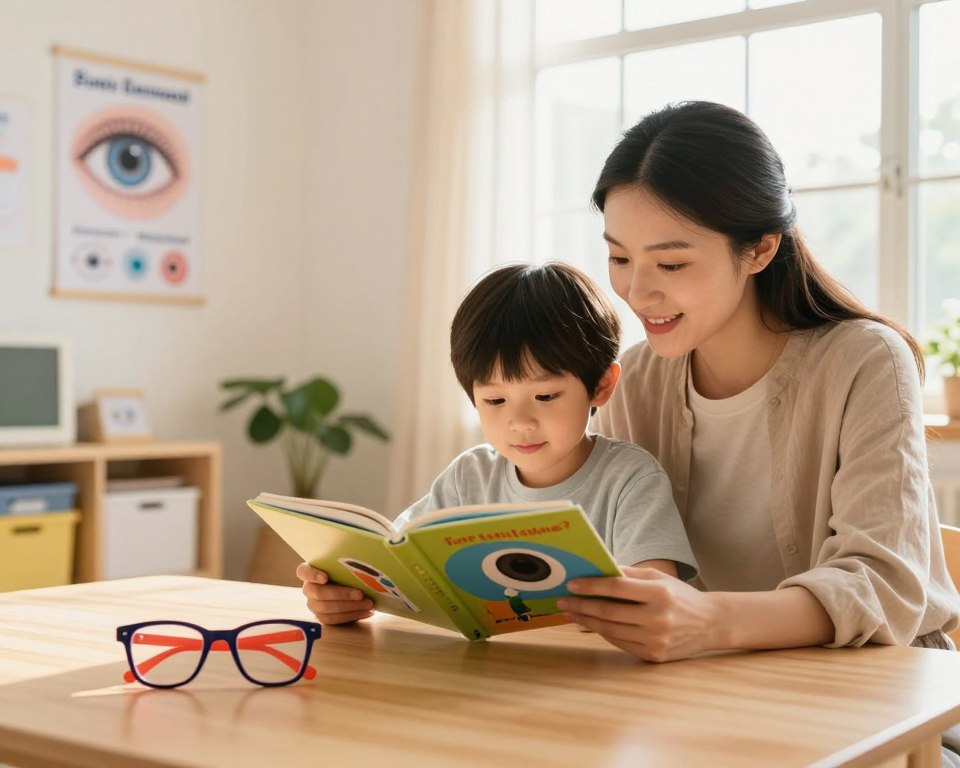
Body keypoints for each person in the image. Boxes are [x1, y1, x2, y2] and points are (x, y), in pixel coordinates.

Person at [554, 100, 960, 673]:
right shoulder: (637, 378)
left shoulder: (865, 361)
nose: (637, 292)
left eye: (671, 265)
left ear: (760, 248)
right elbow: (592, 552)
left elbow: (882, 586)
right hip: (706, 698)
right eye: (619, 256)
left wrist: (706, 621)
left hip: (880, 706)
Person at [298, 261, 698, 625]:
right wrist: (344, 594)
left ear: (601, 386)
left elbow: (658, 600)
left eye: (545, 397)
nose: (520, 422)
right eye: (494, 401)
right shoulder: (469, 478)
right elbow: (396, 559)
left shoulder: (629, 479)